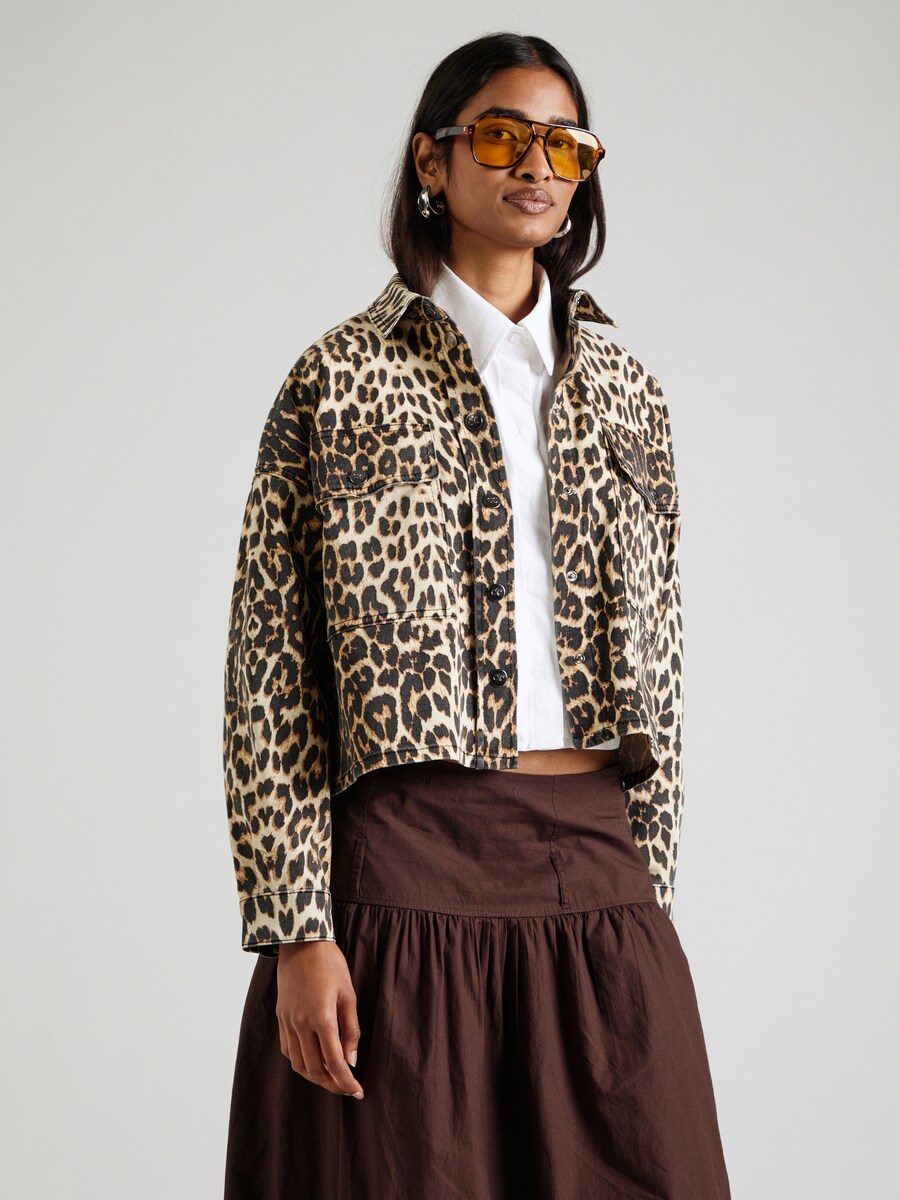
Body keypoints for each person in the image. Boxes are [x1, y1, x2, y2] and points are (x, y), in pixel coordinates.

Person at [222, 31, 732, 1200]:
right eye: (502, 135)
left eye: (566, 144)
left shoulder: (629, 393)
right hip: (402, 877)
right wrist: (297, 928)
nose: (537, 165)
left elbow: (662, 659)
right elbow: (271, 670)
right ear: (432, 161)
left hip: (594, 875)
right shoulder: (338, 380)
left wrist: (645, 881)